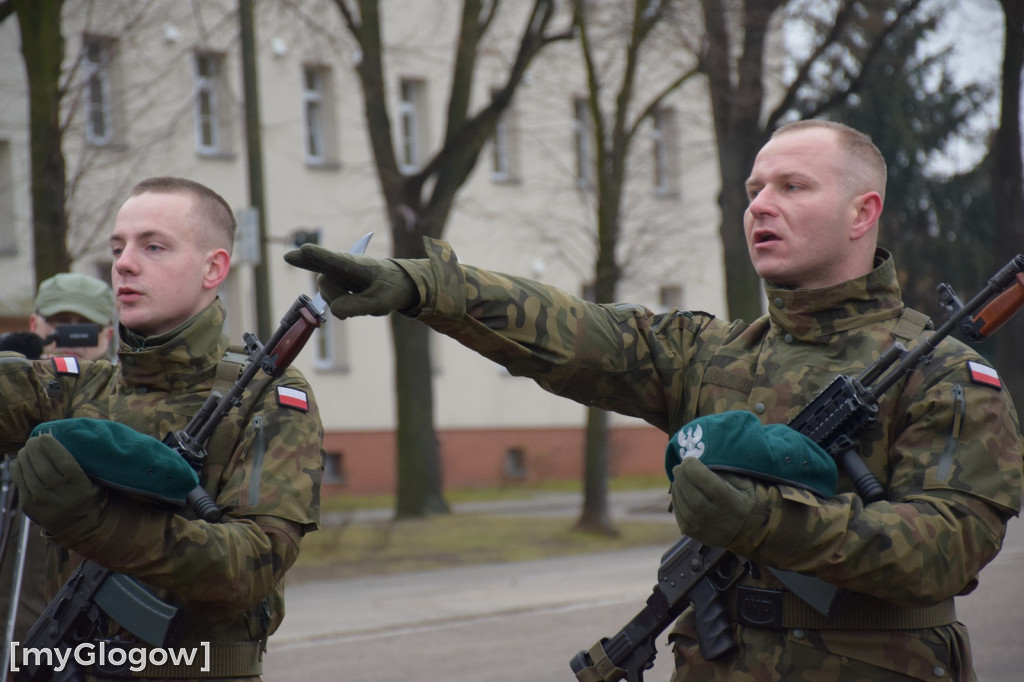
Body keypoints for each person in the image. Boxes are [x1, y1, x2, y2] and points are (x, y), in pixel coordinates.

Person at [284, 119, 1024, 681]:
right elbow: (576, 332)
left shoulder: (943, 372)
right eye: (754, 190)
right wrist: (425, 286)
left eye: (793, 187)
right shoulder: (714, 353)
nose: (761, 205)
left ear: (863, 214)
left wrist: (771, 521)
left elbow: (948, 548)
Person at [4, 177, 325, 681]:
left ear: (213, 268)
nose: (124, 263)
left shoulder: (265, 395)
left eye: (153, 246)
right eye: (118, 247)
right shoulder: (81, 387)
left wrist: (100, 526)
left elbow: (253, 565)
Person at [0, 273, 115, 656]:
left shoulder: (122, 408)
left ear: (107, 336)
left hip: (84, 645)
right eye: (60, 326)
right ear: (36, 327)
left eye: (85, 329)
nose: (72, 338)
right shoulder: (10, 402)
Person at [29, 272, 117, 361]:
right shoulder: (17, 372)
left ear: (108, 336)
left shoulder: (124, 374)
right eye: (61, 322)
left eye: (86, 326)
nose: (73, 337)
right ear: (34, 325)